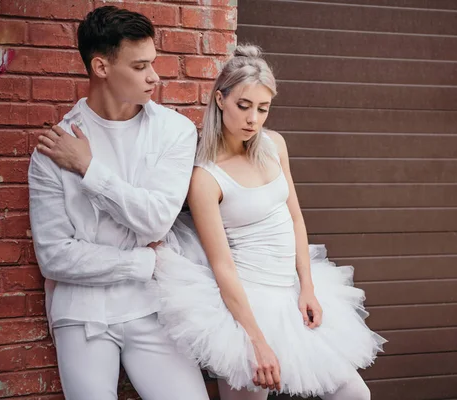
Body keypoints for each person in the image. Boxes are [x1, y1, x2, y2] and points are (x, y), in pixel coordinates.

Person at [150, 44, 386, 400]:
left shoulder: (274, 145)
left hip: (291, 292)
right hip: (245, 305)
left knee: (355, 395)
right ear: (220, 99)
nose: (253, 120)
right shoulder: (206, 177)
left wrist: (307, 286)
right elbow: (222, 265)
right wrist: (255, 340)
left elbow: (294, 217)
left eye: (263, 109)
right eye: (244, 106)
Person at [28, 6, 209, 399]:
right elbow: (55, 256)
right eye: (140, 66)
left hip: (154, 306)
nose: (154, 76)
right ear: (101, 67)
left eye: (153, 63)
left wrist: (90, 169)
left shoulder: (174, 132)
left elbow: (157, 221)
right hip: (81, 312)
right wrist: (141, 261)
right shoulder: (53, 150)